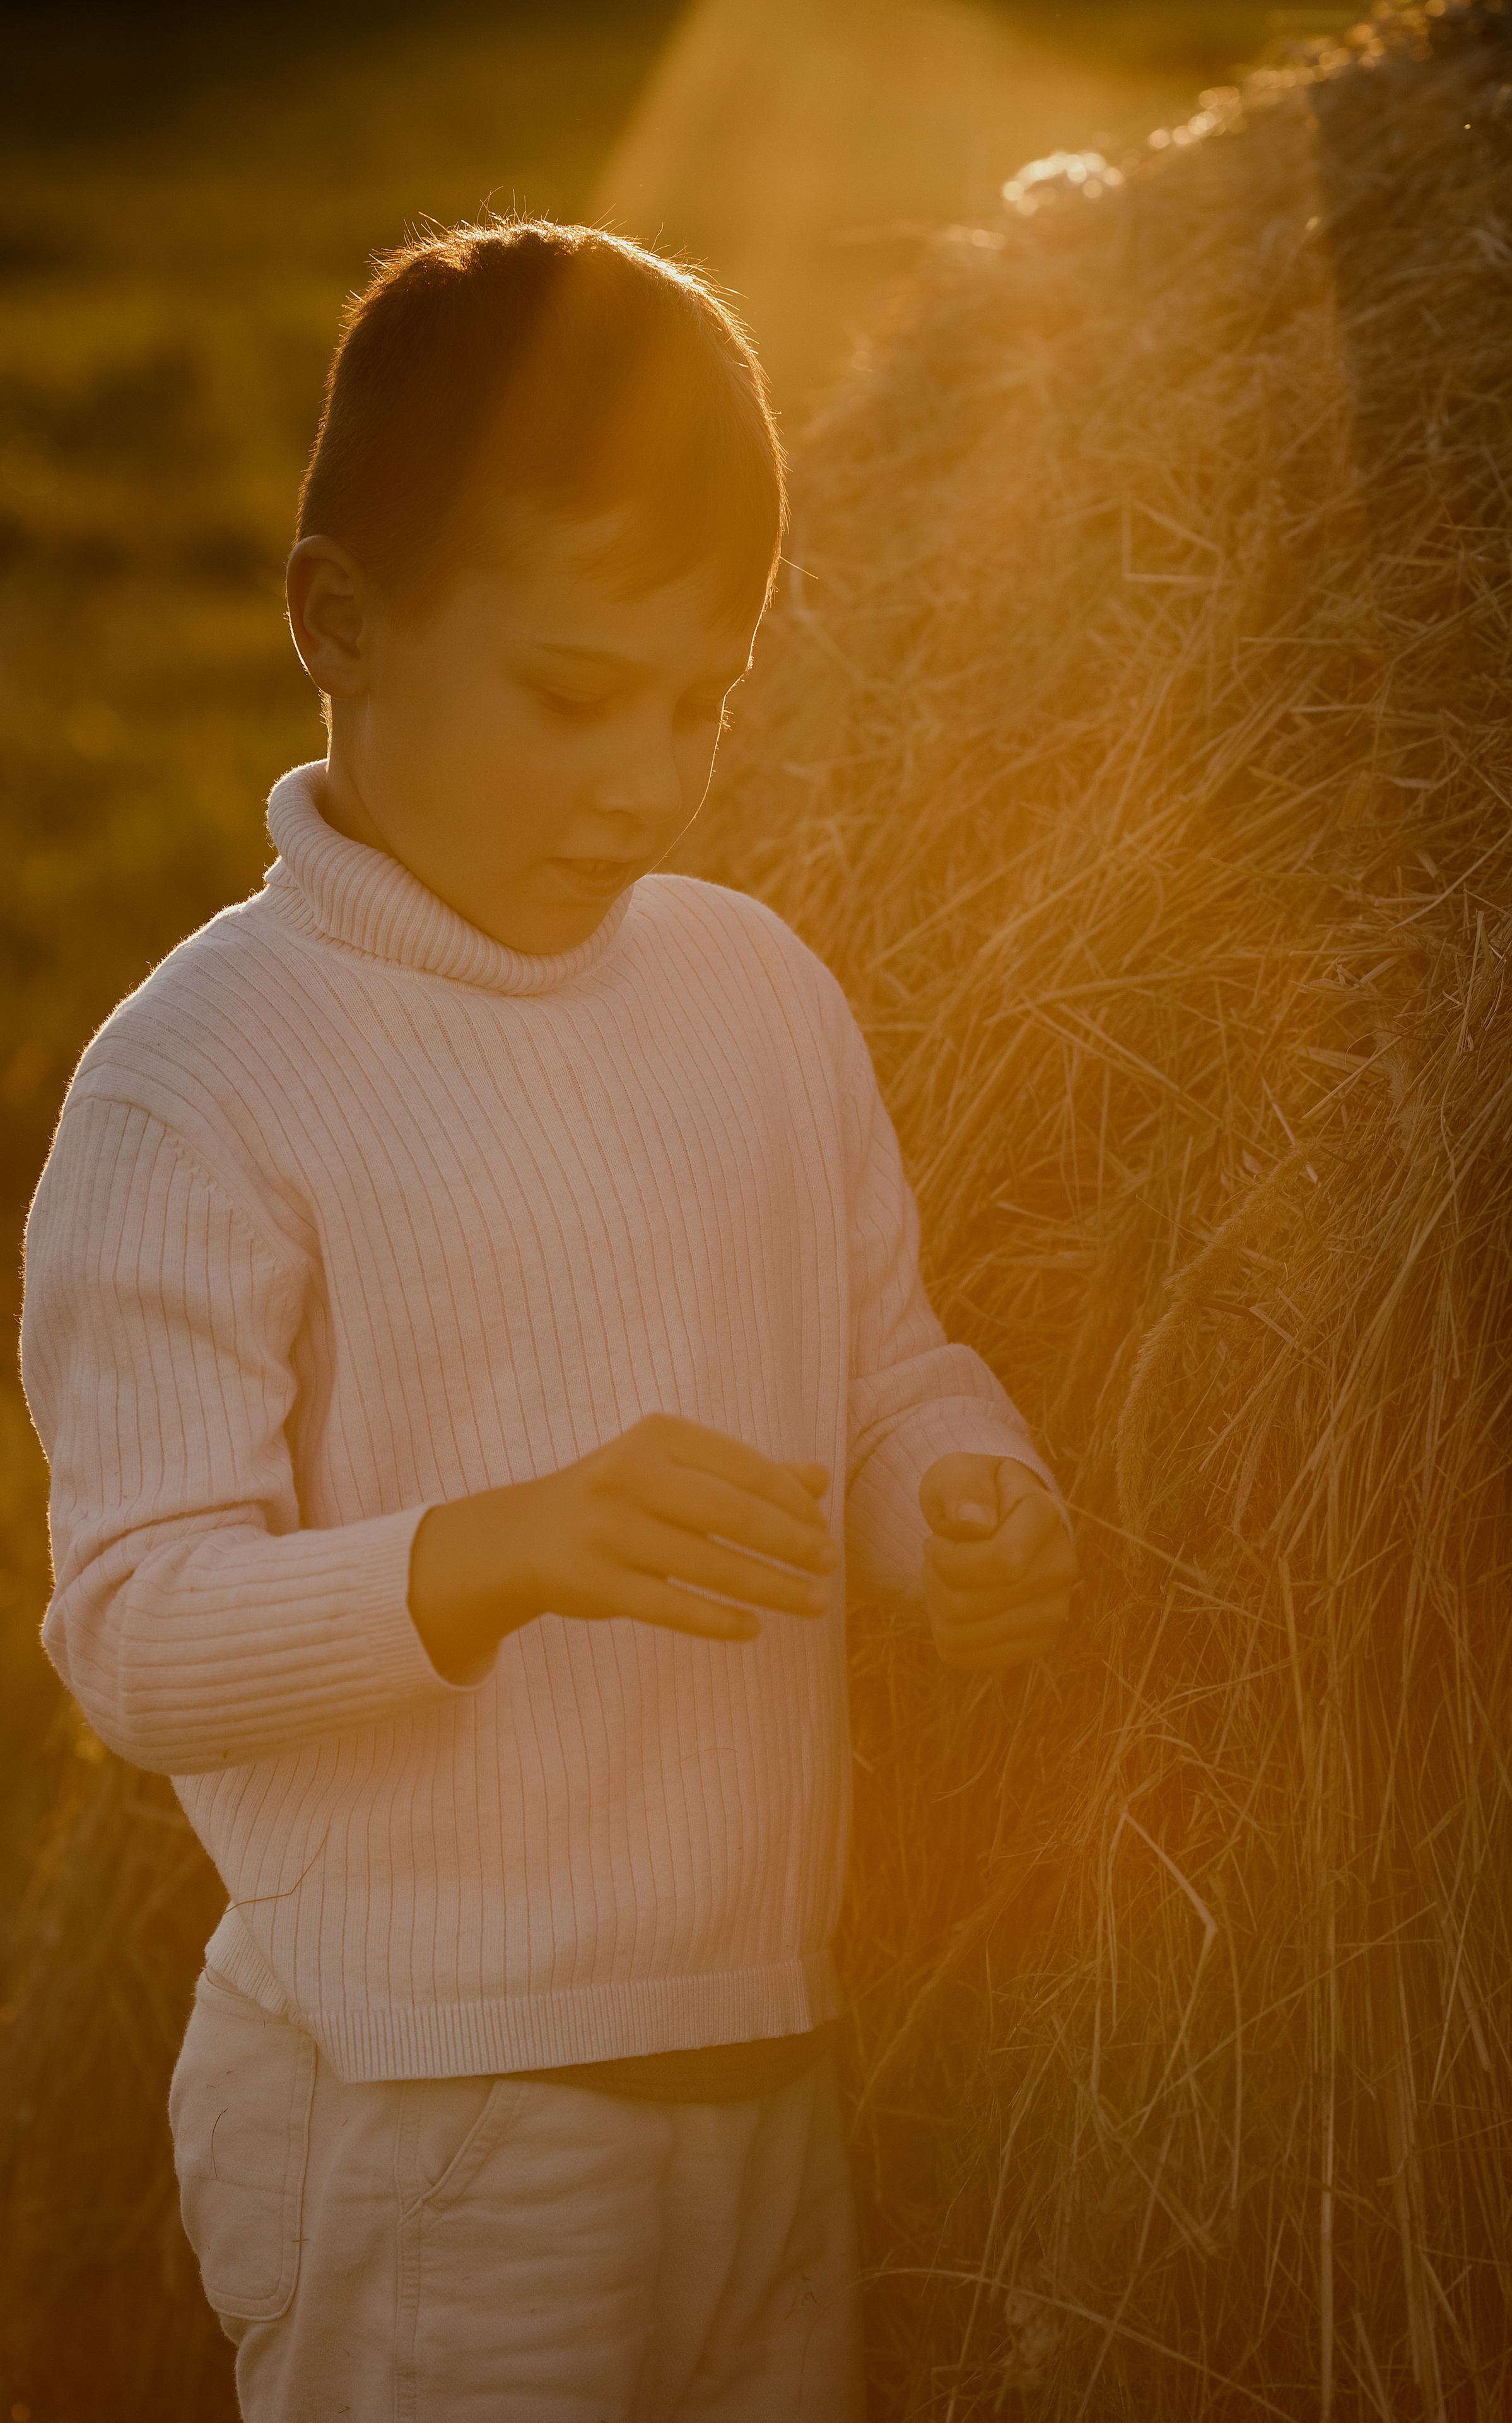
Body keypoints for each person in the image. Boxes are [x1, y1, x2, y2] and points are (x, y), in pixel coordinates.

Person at [20, 219, 1075, 2421]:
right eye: (574, 695)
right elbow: (134, 1632)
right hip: (434, 2121)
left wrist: (956, 1499)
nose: (646, 779)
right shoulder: (204, 1079)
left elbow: (878, 1363)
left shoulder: (757, 994)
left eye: (702, 701)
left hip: (767, 2071)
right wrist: (498, 1552)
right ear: (341, 622)